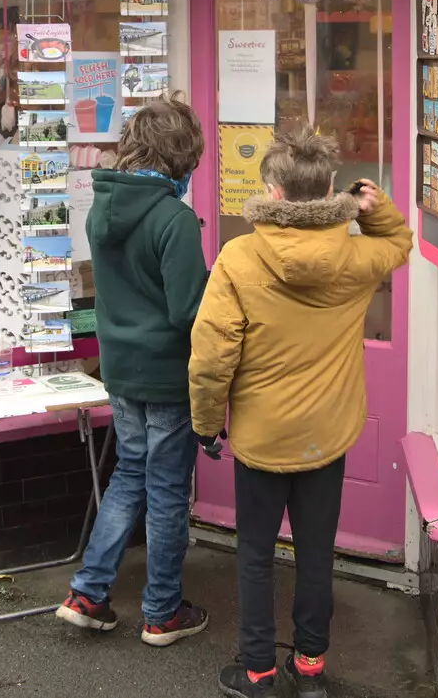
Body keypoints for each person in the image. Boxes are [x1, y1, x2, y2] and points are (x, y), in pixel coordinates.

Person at [190, 130, 413, 698]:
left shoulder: (239, 256)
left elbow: (213, 353)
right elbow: (400, 243)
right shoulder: (359, 256)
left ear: (273, 190)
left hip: (262, 437)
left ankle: (259, 671)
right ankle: (310, 668)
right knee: (316, 552)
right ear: (331, 187)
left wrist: (207, 421)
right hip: (327, 434)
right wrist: (375, 206)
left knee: (256, 554)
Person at [56, 92, 211, 646]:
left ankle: (88, 592)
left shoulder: (104, 206)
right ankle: (162, 612)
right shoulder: (172, 218)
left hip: (120, 369)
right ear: (182, 156)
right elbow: (190, 309)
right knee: (167, 490)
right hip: (168, 373)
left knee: (128, 475)